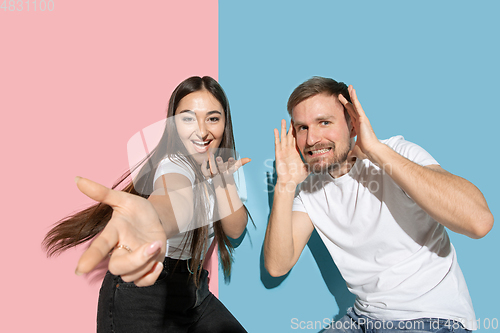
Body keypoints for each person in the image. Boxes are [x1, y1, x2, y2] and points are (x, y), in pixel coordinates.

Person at [264, 76, 493, 332]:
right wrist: (285, 184)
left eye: (324, 122)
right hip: (363, 319)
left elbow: (480, 222)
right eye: (302, 128)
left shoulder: (397, 152)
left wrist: (375, 150)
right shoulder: (310, 189)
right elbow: (277, 265)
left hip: (431, 318)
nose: (311, 139)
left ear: (352, 124)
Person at [43, 76, 250, 332]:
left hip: (193, 290)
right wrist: (153, 218)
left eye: (213, 118)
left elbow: (235, 230)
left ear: (224, 123)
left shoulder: (227, 166)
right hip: (144, 289)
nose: (202, 130)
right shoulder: (174, 164)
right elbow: (173, 199)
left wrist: (223, 182)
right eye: (187, 118)